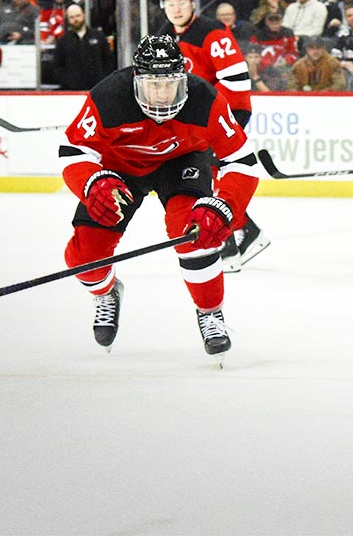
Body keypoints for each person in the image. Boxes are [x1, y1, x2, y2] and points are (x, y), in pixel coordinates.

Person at [59, 35, 260, 362]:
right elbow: (73, 150)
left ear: (184, 78)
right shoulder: (109, 95)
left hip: (182, 163)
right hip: (118, 168)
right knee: (85, 253)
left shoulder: (204, 98)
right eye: (154, 84)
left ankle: (210, 312)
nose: (163, 93)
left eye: (170, 84)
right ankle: (106, 292)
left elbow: (243, 160)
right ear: (137, 80)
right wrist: (92, 183)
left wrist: (225, 206)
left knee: (194, 234)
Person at [157, 0, 268, 272]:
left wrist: (225, 123)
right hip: (193, 121)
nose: (176, 9)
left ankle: (227, 246)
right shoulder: (165, 36)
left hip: (225, 115)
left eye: (181, 2)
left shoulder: (213, 34)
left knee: (209, 176)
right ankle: (250, 233)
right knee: (198, 175)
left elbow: (237, 82)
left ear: (193, 2)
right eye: (170, 4)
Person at [53, 4, 114, 91]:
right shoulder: (63, 41)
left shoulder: (98, 36)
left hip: (97, 89)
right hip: (72, 91)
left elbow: (108, 60)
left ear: (83, 15)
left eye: (78, 16)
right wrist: (68, 82)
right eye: (72, 17)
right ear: (68, 19)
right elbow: (57, 66)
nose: (75, 19)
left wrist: (103, 80)